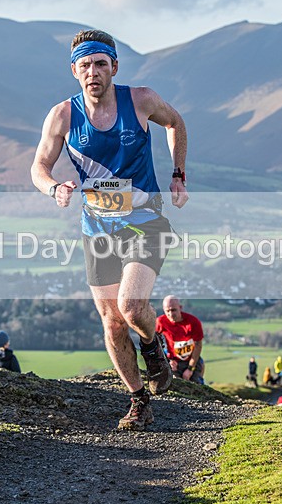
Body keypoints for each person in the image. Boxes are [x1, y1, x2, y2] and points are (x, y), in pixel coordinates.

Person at [31, 29, 188, 431]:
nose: (93, 72)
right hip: (98, 228)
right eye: (85, 65)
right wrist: (54, 187)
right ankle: (139, 400)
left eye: (101, 63)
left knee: (131, 308)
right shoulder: (63, 115)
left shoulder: (141, 100)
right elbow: (39, 168)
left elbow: (175, 123)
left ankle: (153, 347)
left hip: (145, 221)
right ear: (74, 71)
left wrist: (178, 174)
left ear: (114, 67)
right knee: (111, 320)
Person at [155, 295, 205, 384]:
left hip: (192, 359)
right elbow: (154, 341)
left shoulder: (193, 322)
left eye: (173, 310)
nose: (171, 314)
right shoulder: (160, 322)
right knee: (175, 384)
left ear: (180, 308)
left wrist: (190, 368)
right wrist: (167, 360)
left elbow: (198, 345)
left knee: (197, 386)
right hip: (173, 360)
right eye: (167, 311)